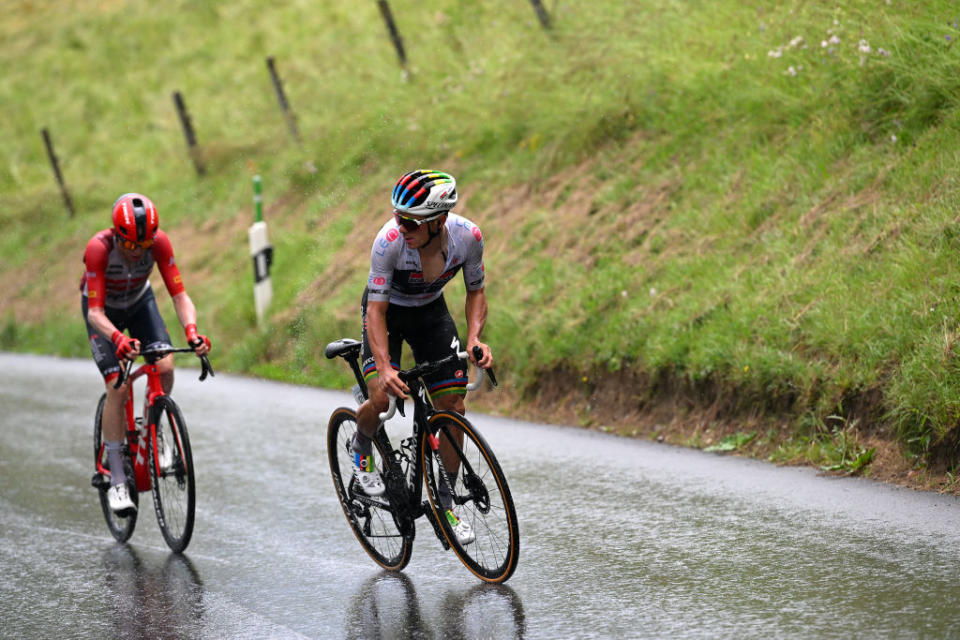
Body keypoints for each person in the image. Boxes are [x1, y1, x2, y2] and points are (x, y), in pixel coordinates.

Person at [354, 169, 492, 545]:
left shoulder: (468, 238)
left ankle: (447, 505)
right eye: (398, 216)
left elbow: (475, 291)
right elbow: (376, 313)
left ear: (440, 220)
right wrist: (383, 367)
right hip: (388, 315)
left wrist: (476, 337)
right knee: (382, 399)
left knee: (452, 406)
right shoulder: (388, 243)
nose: (402, 226)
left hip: (431, 313)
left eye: (411, 221)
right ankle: (361, 443)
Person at [81, 193, 211, 514]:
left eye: (144, 244)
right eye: (129, 246)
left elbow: (179, 295)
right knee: (118, 385)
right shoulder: (99, 248)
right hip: (104, 313)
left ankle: (155, 431)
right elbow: (94, 313)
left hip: (139, 302)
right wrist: (117, 338)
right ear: (117, 235)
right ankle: (117, 478)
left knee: (165, 366)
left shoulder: (160, 244)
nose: (137, 251)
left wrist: (192, 331)